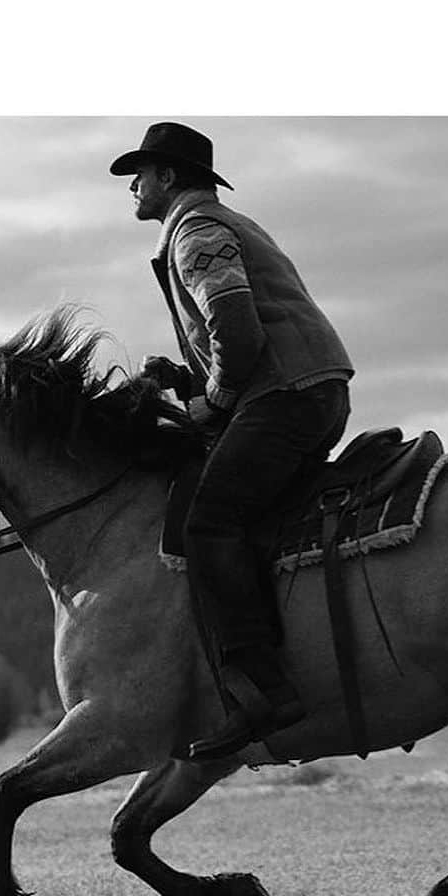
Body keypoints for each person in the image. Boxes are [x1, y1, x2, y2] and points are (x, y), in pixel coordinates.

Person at [111, 122, 354, 760]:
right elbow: (238, 335)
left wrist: (210, 402)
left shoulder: (194, 232)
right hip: (306, 389)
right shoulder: (223, 223)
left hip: (284, 396)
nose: (133, 186)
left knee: (209, 521)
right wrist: (188, 376)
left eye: (140, 173)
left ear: (167, 178)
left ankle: (263, 690)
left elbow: (239, 334)